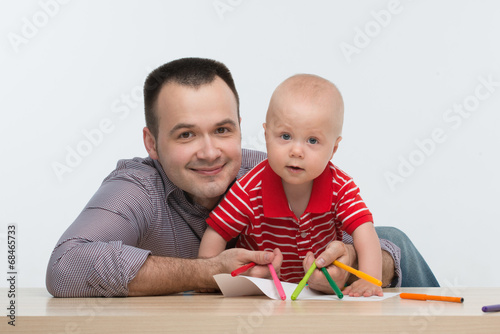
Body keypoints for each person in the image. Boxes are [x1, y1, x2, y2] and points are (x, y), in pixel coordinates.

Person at [45, 57, 437, 298]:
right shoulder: (136, 189)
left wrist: (349, 260)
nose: (210, 151)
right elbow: (65, 265)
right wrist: (206, 272)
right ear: (152, 142)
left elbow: (355, 229)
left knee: (394, 239)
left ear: (244, 128)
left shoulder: (271, 165)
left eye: (223, 130)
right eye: (186, 134)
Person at [199, 74, 382, 297]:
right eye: (285, 136)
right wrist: (208, 280)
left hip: (321, 295)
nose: (296, 151)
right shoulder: (249, 189)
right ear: (266, 136)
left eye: (312, 140)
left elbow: (365, 230)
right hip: (263, 295)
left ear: (333, 149)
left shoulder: (340, 186)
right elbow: (216, 232)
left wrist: (370, 280)